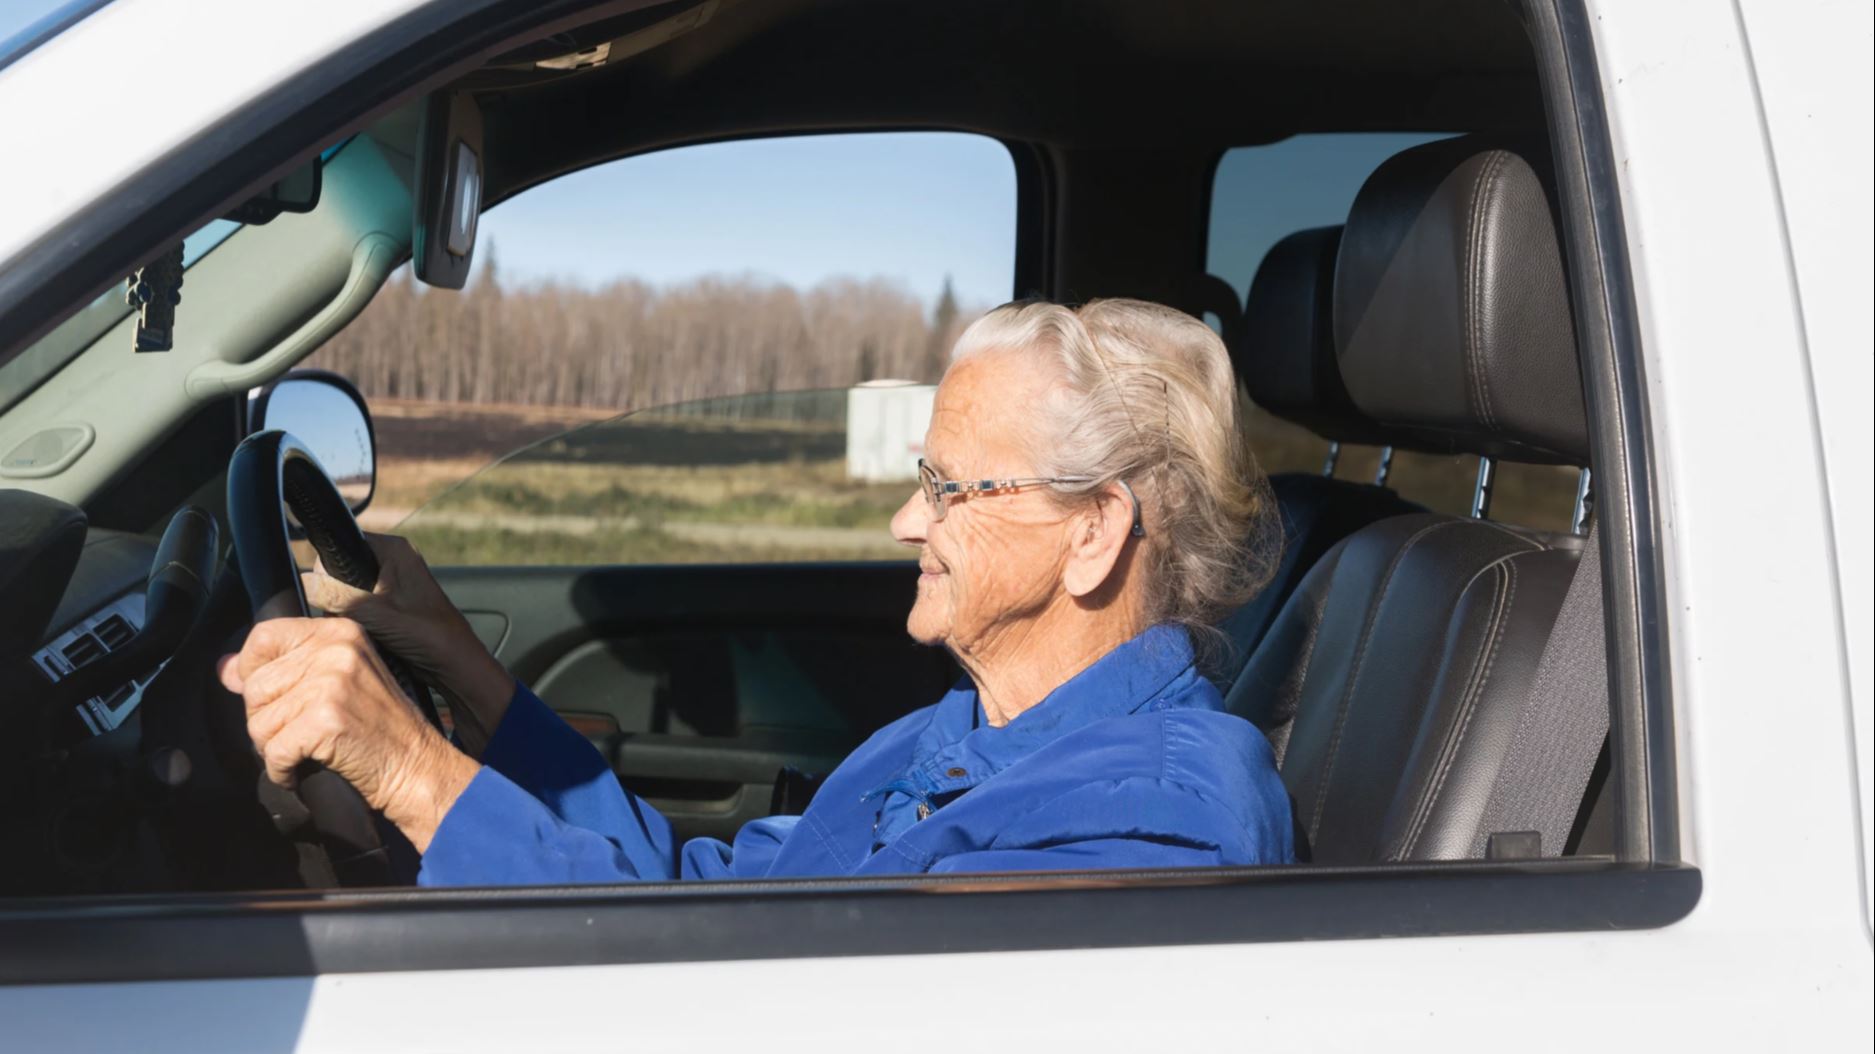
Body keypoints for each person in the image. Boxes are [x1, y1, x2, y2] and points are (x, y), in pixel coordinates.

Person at [219, 298, 1295, 884]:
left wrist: (414, 772)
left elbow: (755, 1008)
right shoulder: (958, 732)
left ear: (1094, 532)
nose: (905, 522)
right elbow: (710, 895)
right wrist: (466, 672)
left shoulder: (1154, 829)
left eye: (947, 487)